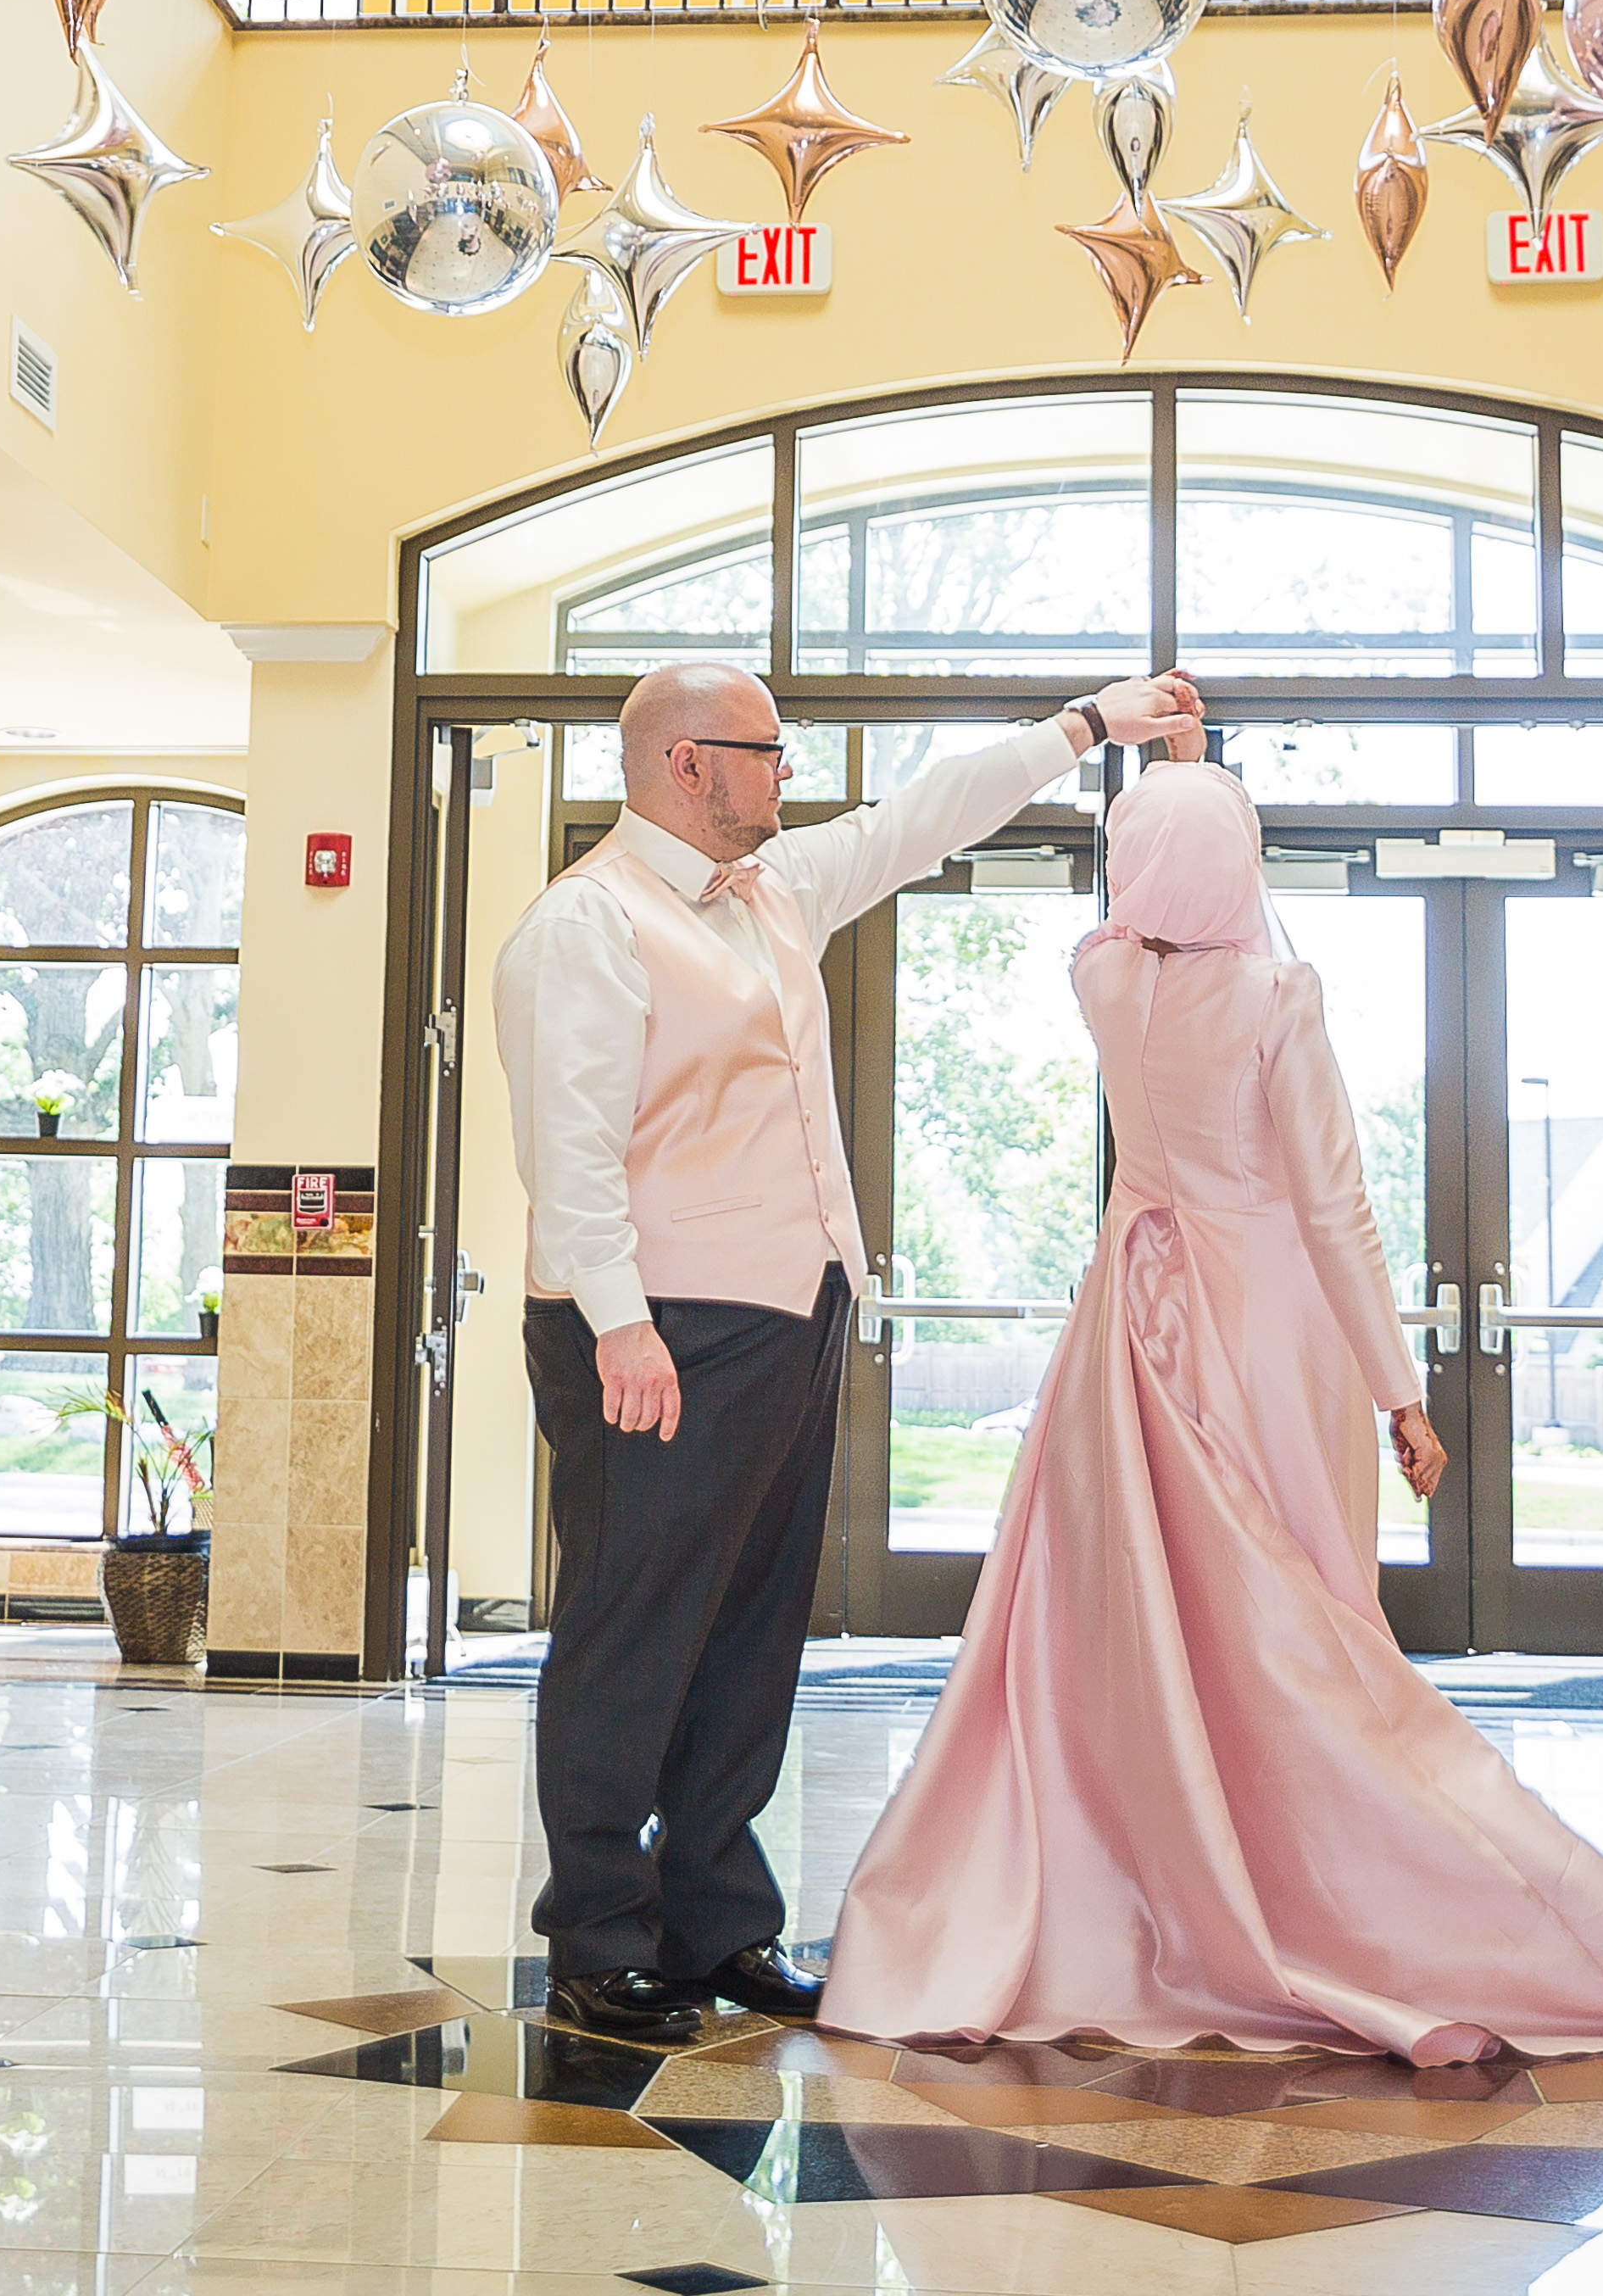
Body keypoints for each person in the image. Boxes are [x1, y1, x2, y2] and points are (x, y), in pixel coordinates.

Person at [818, 751, 1603, 2060]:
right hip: (1266, 1325)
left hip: (1133, 1318)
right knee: (1299, 1613)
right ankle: (1307, 1878)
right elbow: (1335, 1210)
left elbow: (1135, 910)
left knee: (1145, 1607)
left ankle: (1155, 1872)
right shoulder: (1281, 999)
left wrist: (1171, 781)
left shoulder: (1101, 980)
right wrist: (1402, 1392)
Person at [492, 660, 1205, 2049]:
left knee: (749, 1633)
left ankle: (716, 1921)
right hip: (653, 1329)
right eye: (764, 750)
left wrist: (1083, 726)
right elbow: (567, 1150)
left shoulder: (774, 892)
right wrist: (620, 1324)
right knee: (633, 1630)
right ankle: (599, 1937)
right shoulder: (587, 923)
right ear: (686, 765)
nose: (786, 773)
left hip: (787, 1313)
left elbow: (924, 815)